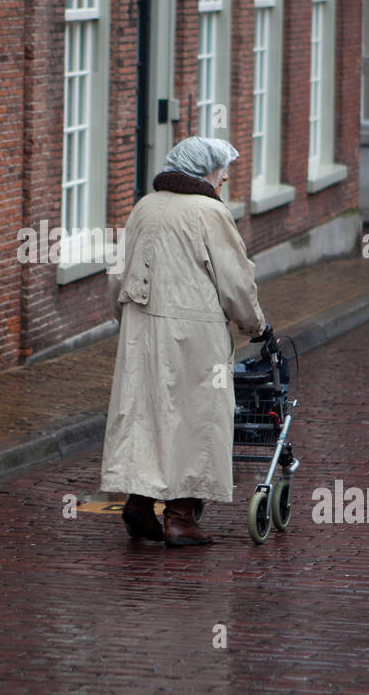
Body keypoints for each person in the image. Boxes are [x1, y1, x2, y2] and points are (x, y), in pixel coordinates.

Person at [101, 136, 272, 546]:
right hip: (194, 334)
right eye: (221, 167)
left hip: (141, 330)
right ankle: (180, 518)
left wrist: (124, 319)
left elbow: (117, 272)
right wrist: (256, 326)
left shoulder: (145, 204)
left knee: (146, 414)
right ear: (203, 171)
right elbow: (235, 279)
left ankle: (140, 504)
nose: (227, 175)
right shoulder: (209, 212)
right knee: (195, 416)